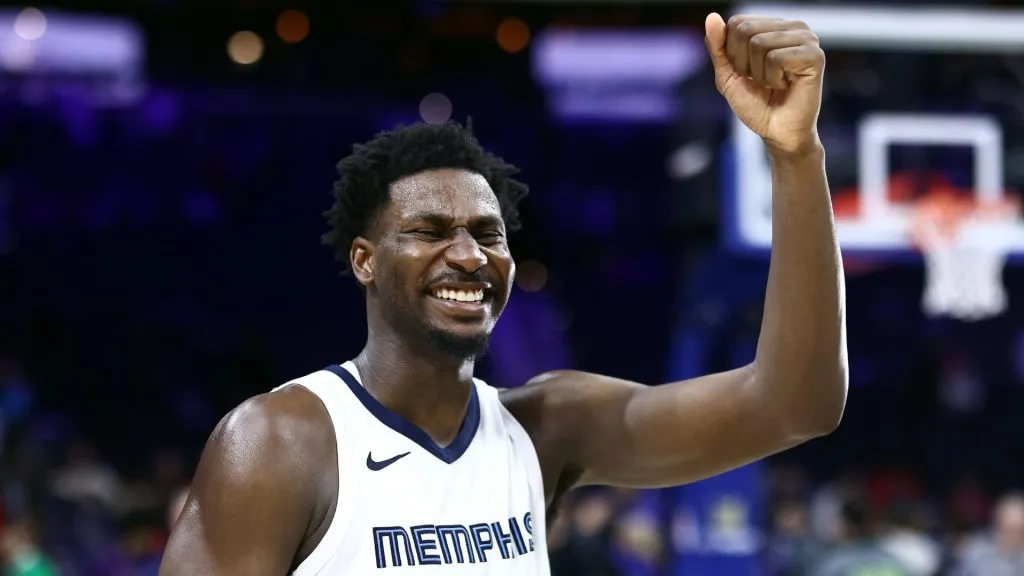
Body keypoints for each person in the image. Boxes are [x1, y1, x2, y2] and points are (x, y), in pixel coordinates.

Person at [159, 12, 847, 575]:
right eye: (429, 231)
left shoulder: (546, 427)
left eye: (488, 234)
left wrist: (796, 156)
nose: (468, 255)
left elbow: (794, 405)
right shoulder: (280, 442)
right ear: (364, 260)